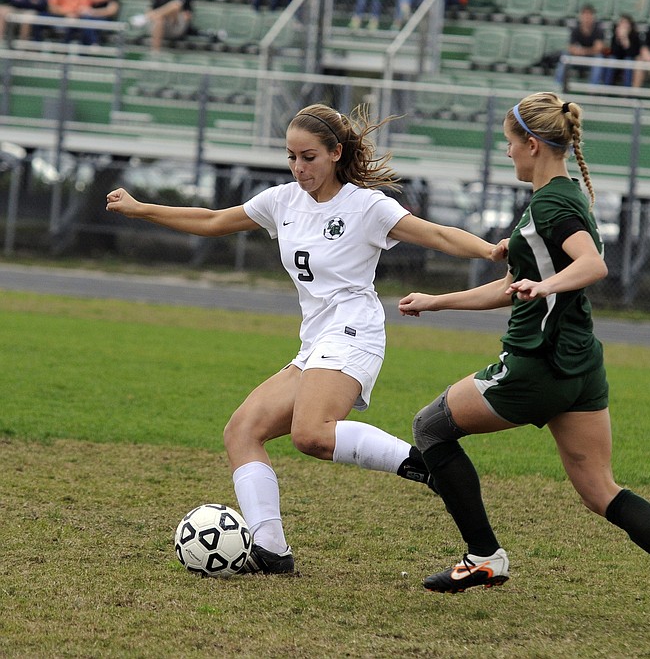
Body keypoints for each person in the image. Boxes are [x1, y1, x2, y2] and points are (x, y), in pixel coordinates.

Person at [105, 103, 506, 575]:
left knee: (311, 434)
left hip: (354, 332)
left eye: (309, 157)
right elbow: (212, 221)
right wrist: (140, 209)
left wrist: (490, 250)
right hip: (315, 342)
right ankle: (271, 550)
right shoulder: (281, 201)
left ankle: (423, 465)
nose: (299, 167)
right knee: (242, 432)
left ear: (335, 153)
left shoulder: (366, 206)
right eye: (291, 157)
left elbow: (437, 234)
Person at [397, 91, 650, 640]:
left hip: (537, 365)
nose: (507, 152)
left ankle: (484, 556)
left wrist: (546, 283)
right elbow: (513, 287)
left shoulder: (550, 205)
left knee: (430, 428)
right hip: (580, 367)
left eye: (510, 143)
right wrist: (438, 301)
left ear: (532, 145)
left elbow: (593, 265)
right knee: (600, 490)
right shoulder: (562, 195)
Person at [555, 3, 606, 88]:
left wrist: (584, 51)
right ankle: (558, 86)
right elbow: (571, 48)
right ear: (581, 16)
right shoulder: (576, 30)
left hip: (591, 58)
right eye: (585, 15)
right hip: (577, 57)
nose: (587, 18)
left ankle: (593, 88)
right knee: (565, 55)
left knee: (599, 58)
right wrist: (580, 51)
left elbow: (598, 49)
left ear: (593, 17)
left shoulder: (598, 31)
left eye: (589, 15)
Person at [603, 13, 641, 87]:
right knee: (612, 60)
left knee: (628, 61)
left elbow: (632, 54)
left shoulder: (635, 36)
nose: (623, 25)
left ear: (630, 26)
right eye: (622, 23)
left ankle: (627, 89)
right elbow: (612, 52)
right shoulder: (614, 35)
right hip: (616, 60)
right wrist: (618, 39)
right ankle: (606, 87)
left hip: (629, 61)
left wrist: (625, 40)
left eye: (626, 23)